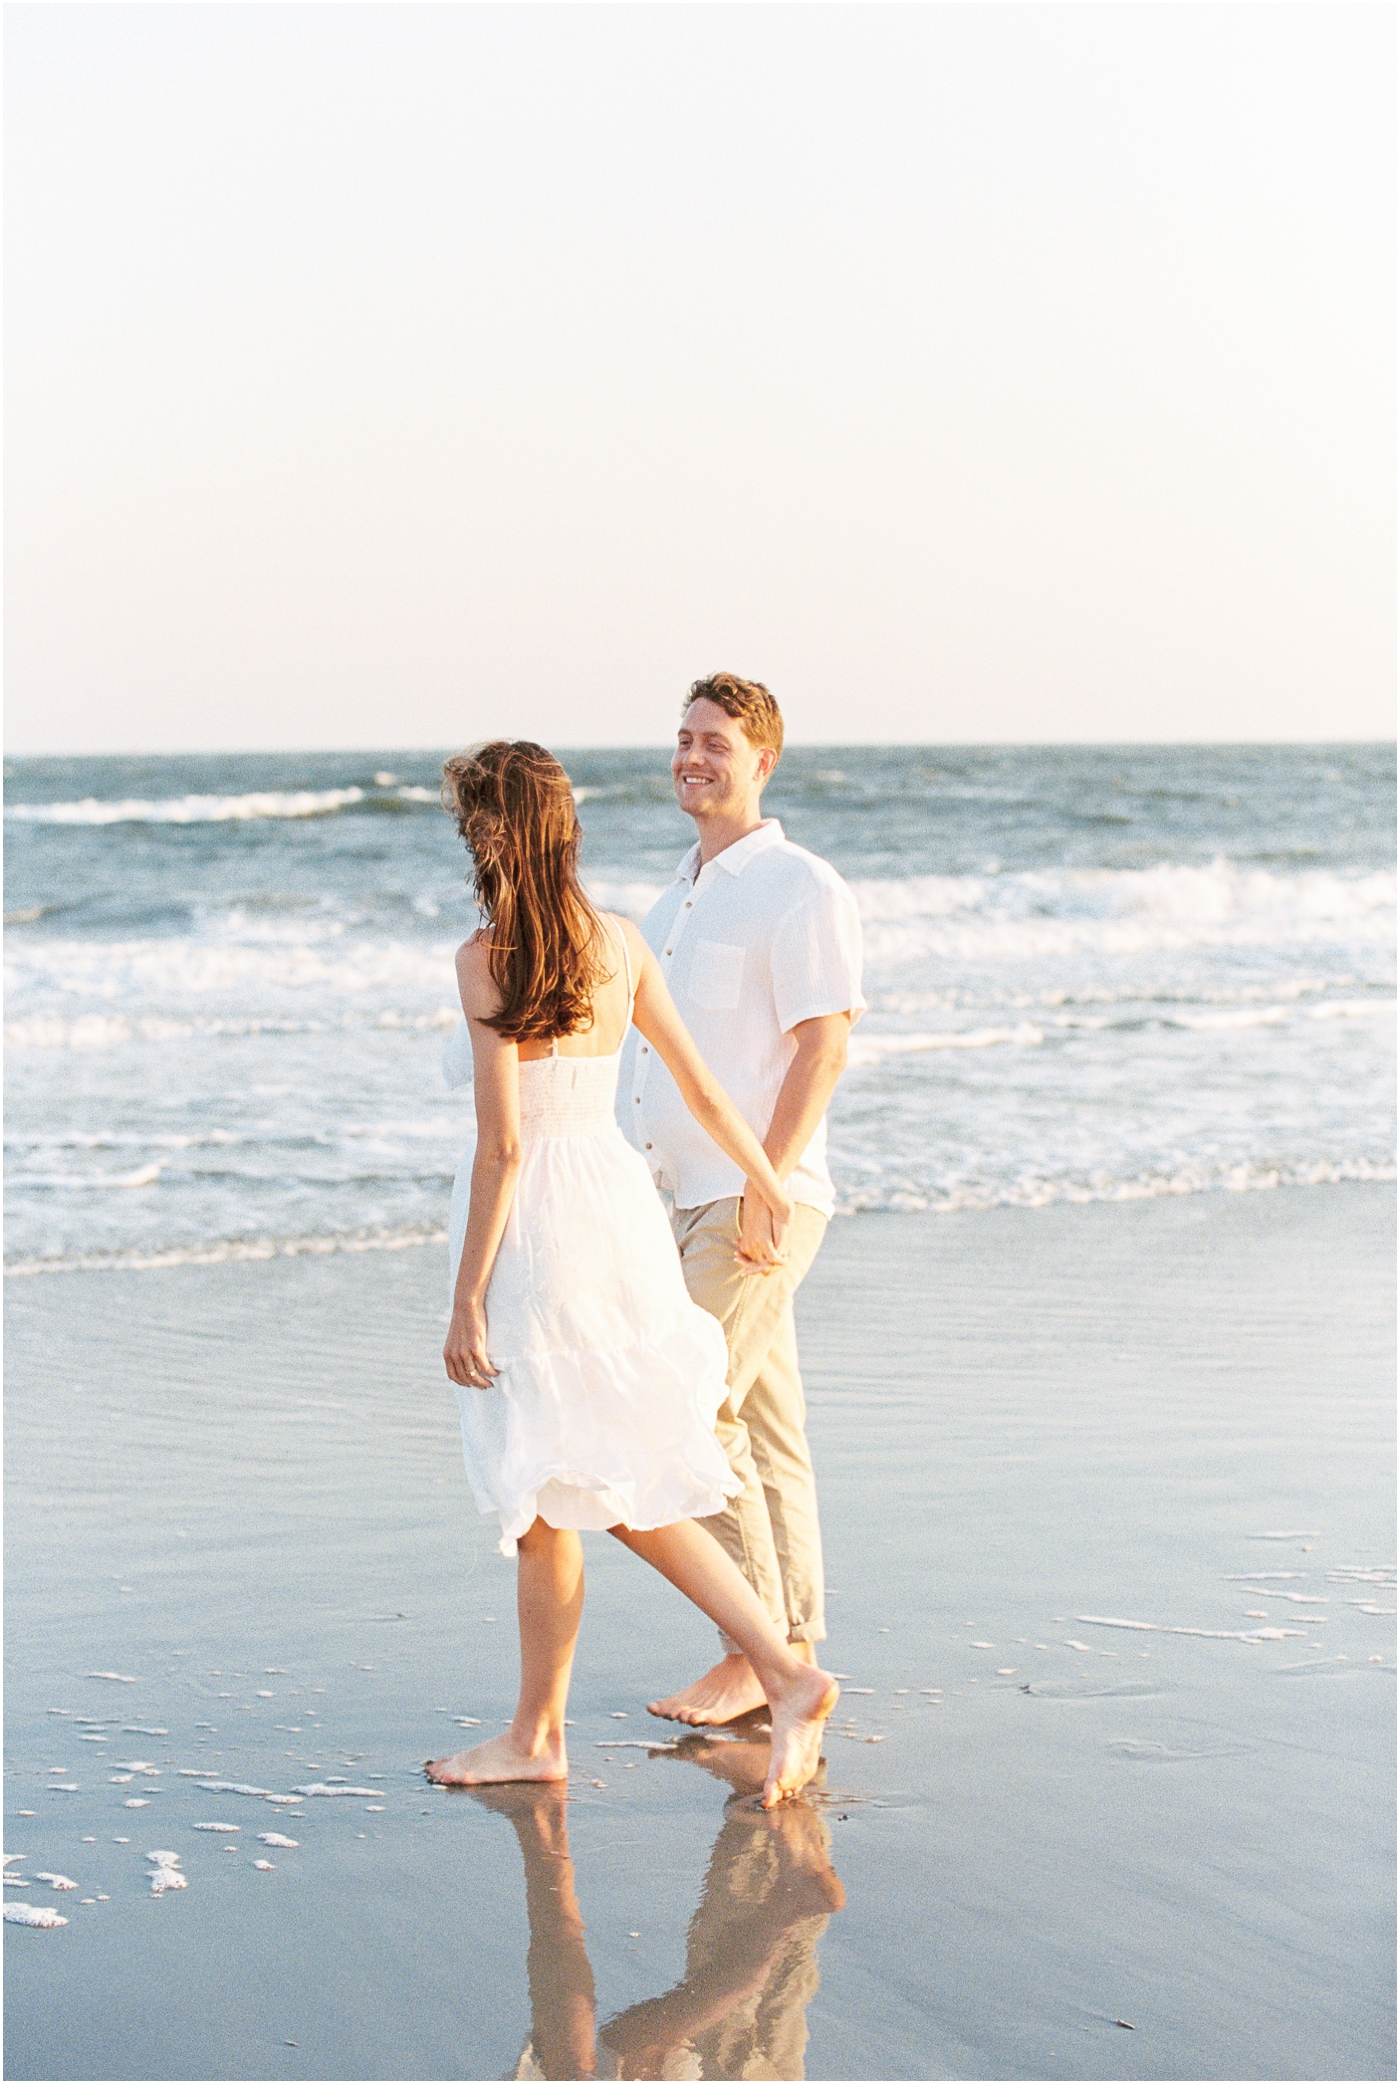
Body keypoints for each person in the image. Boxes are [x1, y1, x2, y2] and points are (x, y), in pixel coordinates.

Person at [426, 739, 838, 1809]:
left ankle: (776, 1672)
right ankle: (541, 1729)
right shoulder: (616, 940)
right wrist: (767, 1179)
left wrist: (466, 1296)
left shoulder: (483, 958)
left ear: (488, 832)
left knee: (563, 1485)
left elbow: (503, 1146)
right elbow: (704, 1090)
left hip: (538, 1233)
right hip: (613, 1211)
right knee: (570, 1491)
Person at [621, 675, 865, 1727]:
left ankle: (752, 1652)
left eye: (714, 741)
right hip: (675, 1198)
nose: (692, 756)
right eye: (681, 739)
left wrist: (766, 1183)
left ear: (761, 760)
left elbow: (825, 1042)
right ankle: (792, 1643)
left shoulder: (800, 886)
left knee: (687, 1403)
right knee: (764, 1424)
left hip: (750, 1196)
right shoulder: (671, 898)